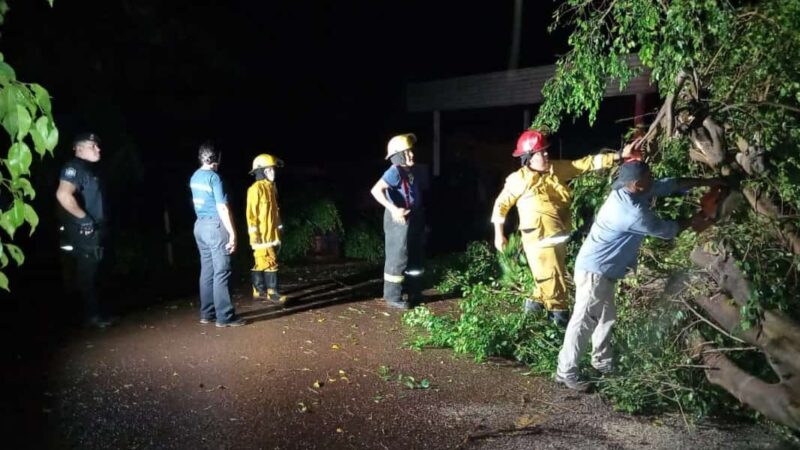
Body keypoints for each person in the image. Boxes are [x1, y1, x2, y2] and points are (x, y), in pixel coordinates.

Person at [555, 160, 721, 391]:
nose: (653, 179)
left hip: (605, 271)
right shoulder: (629, 212)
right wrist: (697, 220)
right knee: (584, 320)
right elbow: (667, 230)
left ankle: (602, 364)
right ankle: (566, 372)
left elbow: (670, 185)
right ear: (637, 184)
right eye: (648, 177)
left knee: (605, 318)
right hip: (595, 271)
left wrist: (707, 182)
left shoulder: (635, 189)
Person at [491, 129, 632, 327]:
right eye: (541, 152)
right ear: (529, 158)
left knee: (544, 282)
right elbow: (501, 205)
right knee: (554, 281)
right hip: (538, 241)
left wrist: (618, 156)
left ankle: (530, 322)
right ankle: (559, 325)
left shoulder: (556, 169)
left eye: (546, 151)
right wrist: (499, 235)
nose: (546, 155)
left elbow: (583, 164)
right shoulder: (518, 180)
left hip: (558, 237)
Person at [56, 132, 113, 328]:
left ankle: (97, 313)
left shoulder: (90, 169)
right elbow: (63, 195)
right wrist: (84, 220)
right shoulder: (74, 167)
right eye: (92, 146)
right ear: (79, 148)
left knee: (97, 272)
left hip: (97, 228)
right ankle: (91, 316)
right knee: (88, 273)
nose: (98, 149)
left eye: (98, 145)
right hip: (85, 231)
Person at [189, 142, 245, 327]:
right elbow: (222, 206)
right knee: (222, 270)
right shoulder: (214, 178)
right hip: (214, 226)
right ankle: (225, 317)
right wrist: (232, 233)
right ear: (216, 158)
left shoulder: (194, 177)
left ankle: (207, 313)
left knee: (207, 270)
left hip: (200, 226)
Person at [370, 133, 425, 309]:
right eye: (407, 153)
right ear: (397, 155)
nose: (411, 155)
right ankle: (393, 297)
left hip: (412, 216)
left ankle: (414, 290)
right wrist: (394, 209)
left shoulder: (409, 171)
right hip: (398, 219)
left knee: (414, 254)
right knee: (398, 256)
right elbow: (376, 190)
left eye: (411, 151)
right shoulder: (394, 172)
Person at [246, 153, 287, 304]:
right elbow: (251, 215)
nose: (273, 173)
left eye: (273, 170)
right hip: (261, 236)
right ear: (260, 172)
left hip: (271, 235)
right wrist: (254, 235)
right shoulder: (255, 190)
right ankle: (272, 292)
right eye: (268, 170)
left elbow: (275, 213)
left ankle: (258, 289)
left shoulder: (271, 188)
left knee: (262, 262)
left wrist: (279, 228)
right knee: (270, 261)